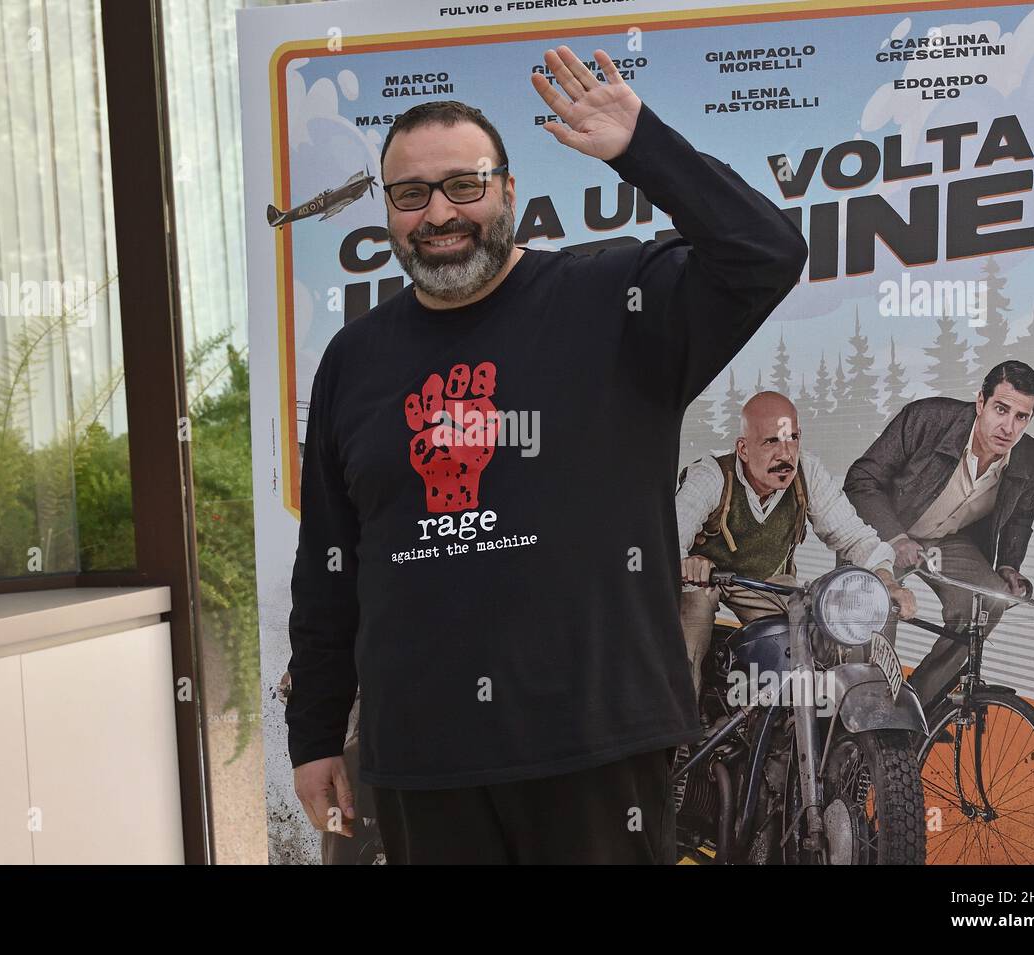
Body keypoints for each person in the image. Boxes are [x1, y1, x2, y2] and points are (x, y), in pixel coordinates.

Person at [286, 45, 807, 865]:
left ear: (509, 191)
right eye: (411, 194)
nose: (439, 213)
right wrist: (314, 733)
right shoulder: (355, 360)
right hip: (424, 762)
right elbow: (328, 570)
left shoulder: (614, 301)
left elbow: (767, 254)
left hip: (597, 751)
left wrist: (644, 146)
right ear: (387, 210)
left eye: (465, 184)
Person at [676, 391, 916, 698]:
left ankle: (786, 725)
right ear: (743, 449)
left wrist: (886, 580)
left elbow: (854, 536)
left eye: (793, 438)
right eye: (771, 441)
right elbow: (669, 538)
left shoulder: (807, 473)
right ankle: (681, 737)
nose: (786, 453)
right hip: (704, 581)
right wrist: (687, 563)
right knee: (689, 633)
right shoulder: (711, 476)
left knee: (811, 636)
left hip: (764, 582)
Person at [843, 360, 1034, 713]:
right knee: (877, 608)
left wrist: (1010, 566)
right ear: (980, 402)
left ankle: (914, 707)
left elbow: (1021, 516)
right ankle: (868, 714)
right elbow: (861, 479)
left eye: (1021, 417)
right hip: (884, 533)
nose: (1008, 426)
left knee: (990, 600)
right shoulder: (926, 419)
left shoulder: (1032, 459)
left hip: (946, 540)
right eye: (1001, 409)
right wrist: (895, 538)